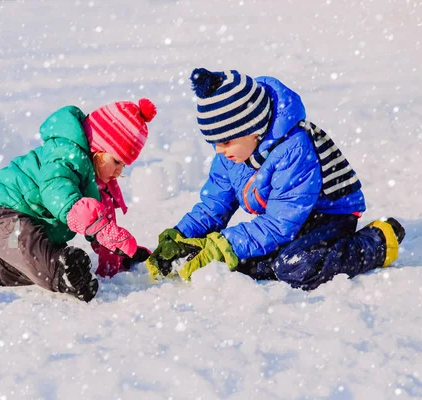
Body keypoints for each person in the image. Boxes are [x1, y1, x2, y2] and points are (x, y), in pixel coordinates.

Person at [146, 68, 405, 290]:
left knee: (294, 266)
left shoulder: (294, 150)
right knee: (245, 264)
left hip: (329, 215)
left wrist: (222, 244)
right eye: (214, 142)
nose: (219, 150)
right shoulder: (230, 156)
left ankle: (375, 243)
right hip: (287, 217)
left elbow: (280, 225)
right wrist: (180, 235)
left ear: (254, 129)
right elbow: (214, 207)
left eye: (225, 141)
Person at [0, 98, 157, 301]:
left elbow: (102, 225)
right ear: (99, 147)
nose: (118, 171)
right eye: (116, 161)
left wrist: (122, 253)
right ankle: (65, 276)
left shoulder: (96, 182)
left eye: (124, 165)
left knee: (41, 256)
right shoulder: (66, 154)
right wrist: (95, 229)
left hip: (28, 222)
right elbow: (56, 190)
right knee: (44, 257)